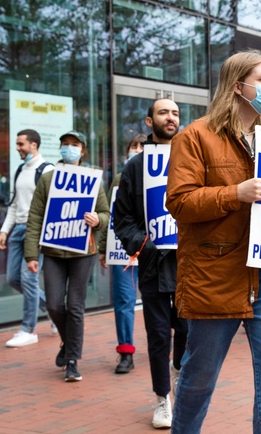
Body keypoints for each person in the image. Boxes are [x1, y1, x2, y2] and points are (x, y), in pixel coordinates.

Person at [165, 49, 261, 433]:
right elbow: (180, 202)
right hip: (216, 274)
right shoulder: (195, 136)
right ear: (238, 86)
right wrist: (235, 193)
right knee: (199, 377)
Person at [114, 99, 189, 429]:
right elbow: (122, 218)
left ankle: (178, 370)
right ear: (149, 121)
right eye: (163, 112)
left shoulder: (192, 160)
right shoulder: (135, 167)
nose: (170, 117)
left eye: (175, 113)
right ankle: (162, 398)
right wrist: (143, 245)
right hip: (152, 263)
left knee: (186, 330)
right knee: (158, 335)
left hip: (188, 262)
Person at [24, 130, 109, 382]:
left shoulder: (92, 179)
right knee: (53, 304)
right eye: (65, 144)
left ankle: (72, 360)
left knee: (75, 306)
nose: (69, 148)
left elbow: (105, 214)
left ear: (83, 151)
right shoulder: (48, 179)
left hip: (83, 252)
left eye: (74, 144)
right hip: (53, 252)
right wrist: (31, 254)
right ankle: (68, 341)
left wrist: (97, 220)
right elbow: (35, 217)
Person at [0, 129, 53, 348]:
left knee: (29, 279)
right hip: (18, 230)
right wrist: (4, 230)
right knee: (13, 279)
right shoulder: (19, 170)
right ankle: (55, 311)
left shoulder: (47, 170)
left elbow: (52, 206)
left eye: (21, 144)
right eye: (17, 144)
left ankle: (29, 330)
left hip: (35, 230)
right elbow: (14, 204)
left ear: (34, 145)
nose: (17, 148)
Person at [98, 133, 146, 375]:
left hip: (154, 249)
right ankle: (126, 351)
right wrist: (103, 248)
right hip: (123, 249)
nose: (137, 150)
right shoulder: (119, 178)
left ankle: (167, 341)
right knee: (124, 300)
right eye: (133, 146)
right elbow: (112, 214)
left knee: (162, 299)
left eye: (142, 146)